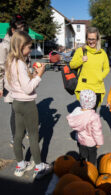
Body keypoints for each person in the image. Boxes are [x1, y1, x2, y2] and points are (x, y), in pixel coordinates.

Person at [5, 31, 52, 179]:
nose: (30, 50)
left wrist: (31, 74)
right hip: (27, 104)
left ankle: (20, 165)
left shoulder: (10, 61)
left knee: (18, 135)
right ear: (20, 46)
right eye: (29, 47)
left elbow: (14, 84)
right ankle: (39, 167)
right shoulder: (20, 63)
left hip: (16, 103)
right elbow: (28, 88)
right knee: (33, 135)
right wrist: (39, 75)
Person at [0, 14, 29, 147]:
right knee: (15, 111)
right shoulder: (5, 45)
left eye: (24, 28)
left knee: (25, 107)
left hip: (24, 81)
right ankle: (14, 136)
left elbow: (27, 60)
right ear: (12, 29)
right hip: (11, 82)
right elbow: (0, 67)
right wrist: (0, 86)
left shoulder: (22, 41)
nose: (22, 31)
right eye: (19, 28)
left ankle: (24, 130)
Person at [70, 27, 110, 110]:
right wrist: (81, 60)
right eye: (89, 39)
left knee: (93, 113)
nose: (91, 41)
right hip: (84, 87)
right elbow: (72, 65)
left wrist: (100, 77)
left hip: (97, 87)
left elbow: (107, 68)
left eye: (93, 39)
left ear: (98, 39)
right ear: (86, 39)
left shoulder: (102, 53)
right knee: (85, 114)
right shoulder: (81, 51)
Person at [66, 89, 104, 165]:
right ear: (93, 103)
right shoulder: (94, 117)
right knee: (92, 157)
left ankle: (81, 167)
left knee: (82, 154)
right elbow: (97, 132)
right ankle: (91, 168)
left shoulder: (77, 112)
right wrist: (99, 142)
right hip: (91, 142)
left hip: (81, 140)